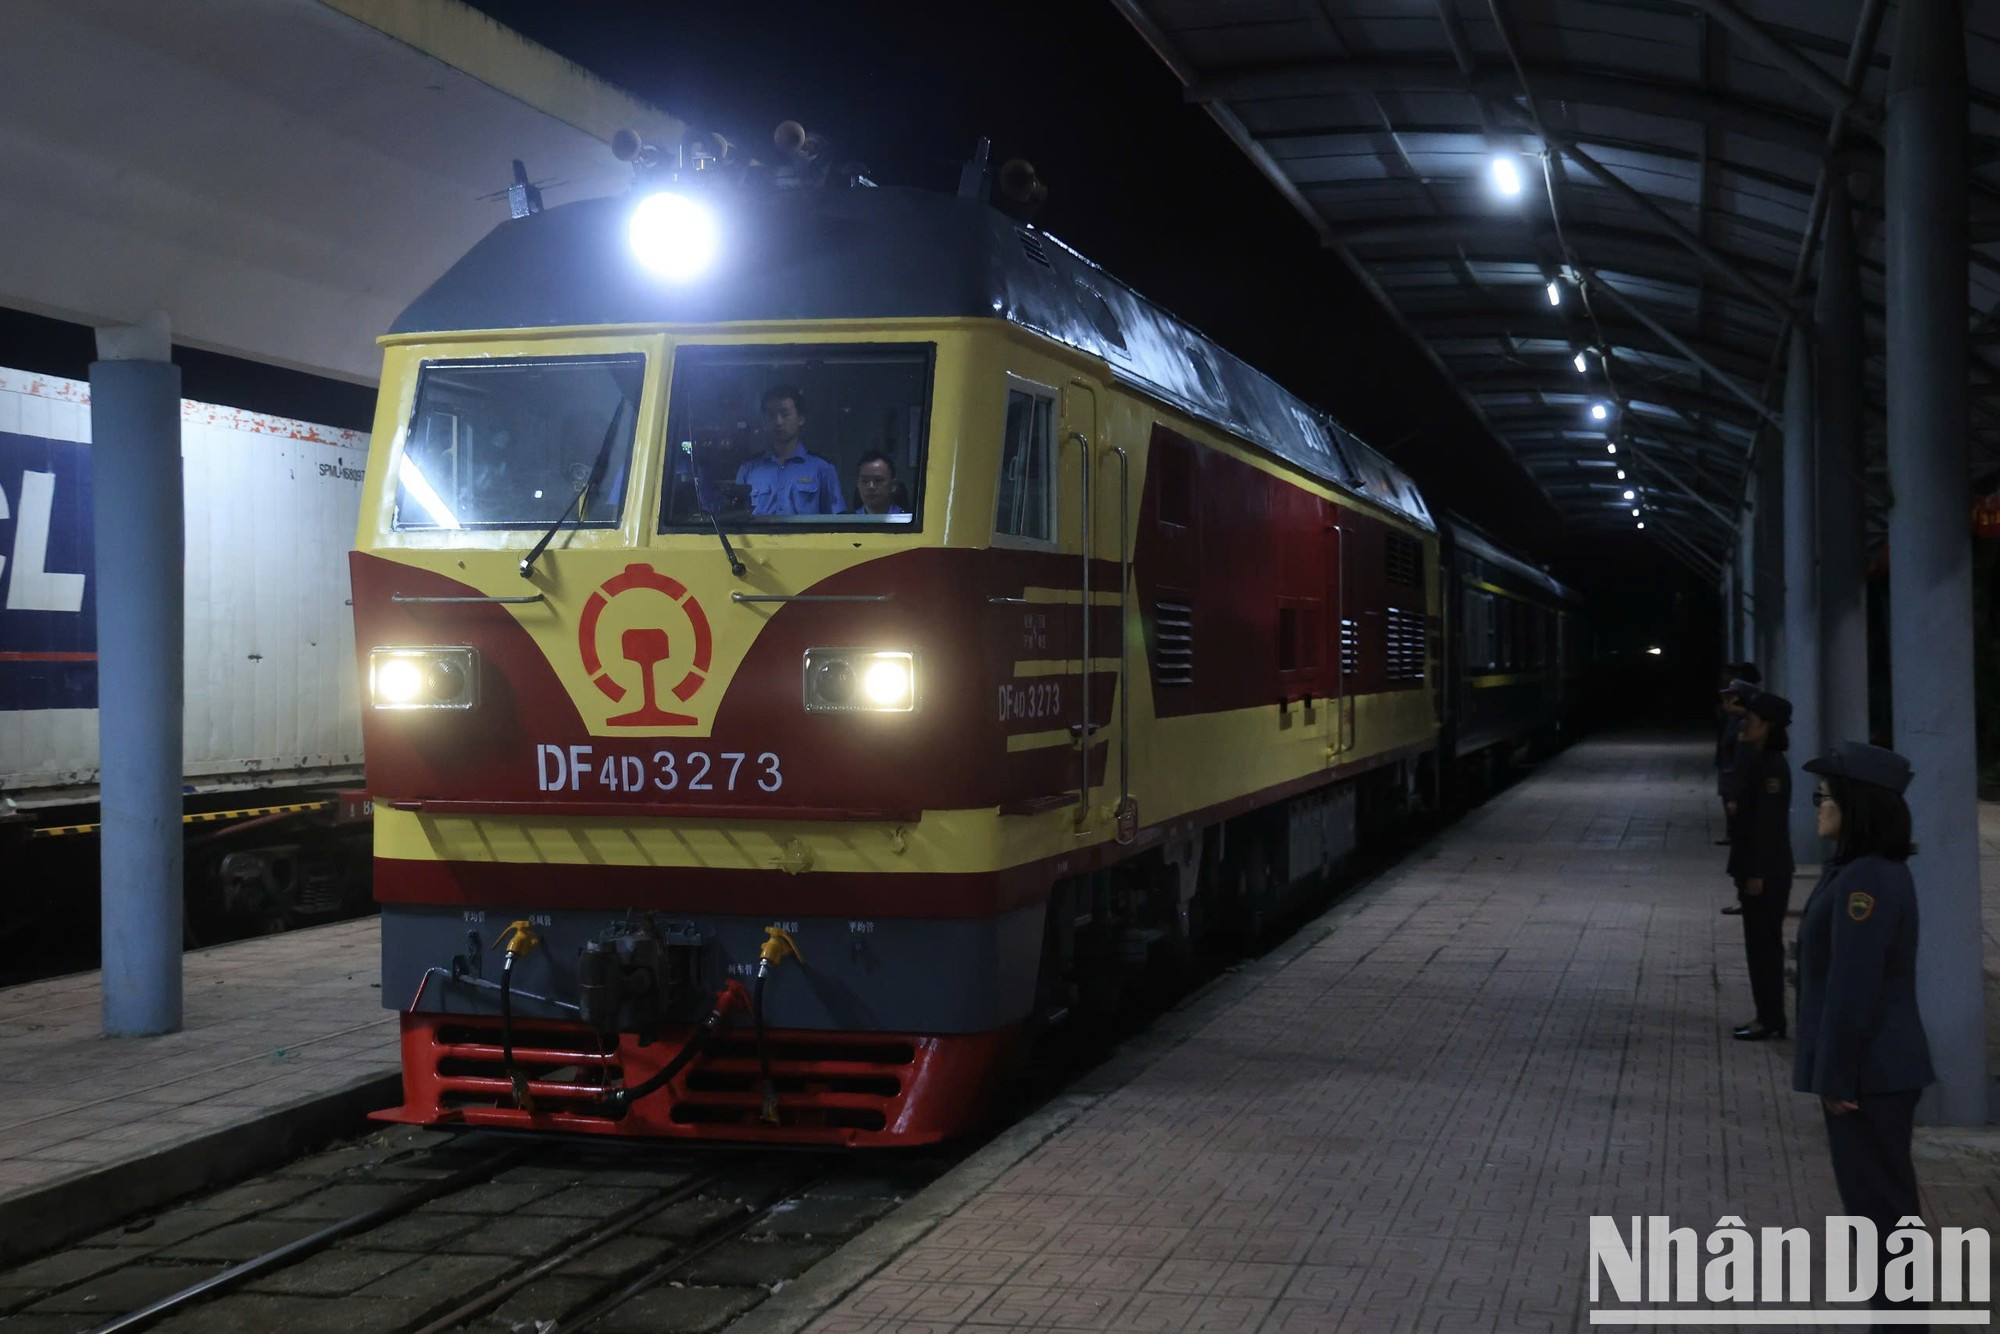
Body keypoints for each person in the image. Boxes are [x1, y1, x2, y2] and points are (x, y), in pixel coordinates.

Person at [1795, 741, 1934, 1324]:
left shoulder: (1867, 882)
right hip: (1873, 1069)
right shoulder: (1859, 871)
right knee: (1878, 1208)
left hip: (1871, 1072)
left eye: (1825, 798)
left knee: (1882, 1211)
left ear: (1857, 806)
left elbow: (1854, 988)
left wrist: (1837, 1075)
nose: (1818, 807)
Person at [1728, 691, 1793, 1040]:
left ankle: (1770, 1018)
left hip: (1765, 873)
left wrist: (1757, 872)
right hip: (1756, 868)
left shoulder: (1772, 768)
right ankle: (1766, 1014)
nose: (1743, 726)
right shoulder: (1759, 760)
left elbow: (1768, 825)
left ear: (1766, 726)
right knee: (1759, 946)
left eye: (1749, 721)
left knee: (1764, 947)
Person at [735, 386, 844, 516]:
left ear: (800, 418)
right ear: (764, 421)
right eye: (771, 415)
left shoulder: (822, 469)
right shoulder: (748, 469)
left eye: (785, 414)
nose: (778, 421)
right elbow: (735, 519)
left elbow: (836, 521)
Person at [850, 450, 909, 517]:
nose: (871, 486)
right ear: (858, 484)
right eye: (865, 481)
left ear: (893, 485)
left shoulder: (907, 518)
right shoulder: (846, 520)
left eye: (878, 480)